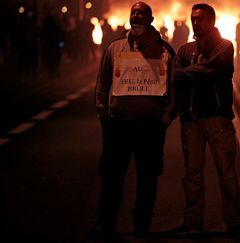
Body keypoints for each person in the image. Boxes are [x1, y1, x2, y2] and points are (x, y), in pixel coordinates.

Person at [87, 1, 176, 238]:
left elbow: (174, 86)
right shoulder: (115, 49)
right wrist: (102, 113)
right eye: (133, 13)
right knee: (112, 175)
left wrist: (167, 116)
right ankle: (106, 223)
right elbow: (102, 82)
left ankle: (142, 223)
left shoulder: (165, 50)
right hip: (118, 125)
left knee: (148, 176)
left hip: (150, 126)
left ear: (150, 20)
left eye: (141, 14)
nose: (136, 17)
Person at [171, 3, 240, 235]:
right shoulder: (184, 49)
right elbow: (174, 75)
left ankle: (234, 224)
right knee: (192, 175)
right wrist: (194, 71)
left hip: (217, 118)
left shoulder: (224, 46)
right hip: (190, 120)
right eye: (193, 18)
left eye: (200, 18)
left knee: (226, 173)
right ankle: (192, 223)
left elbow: (214, 68)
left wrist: (188, 72)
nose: (195, 22)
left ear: (211, 21)